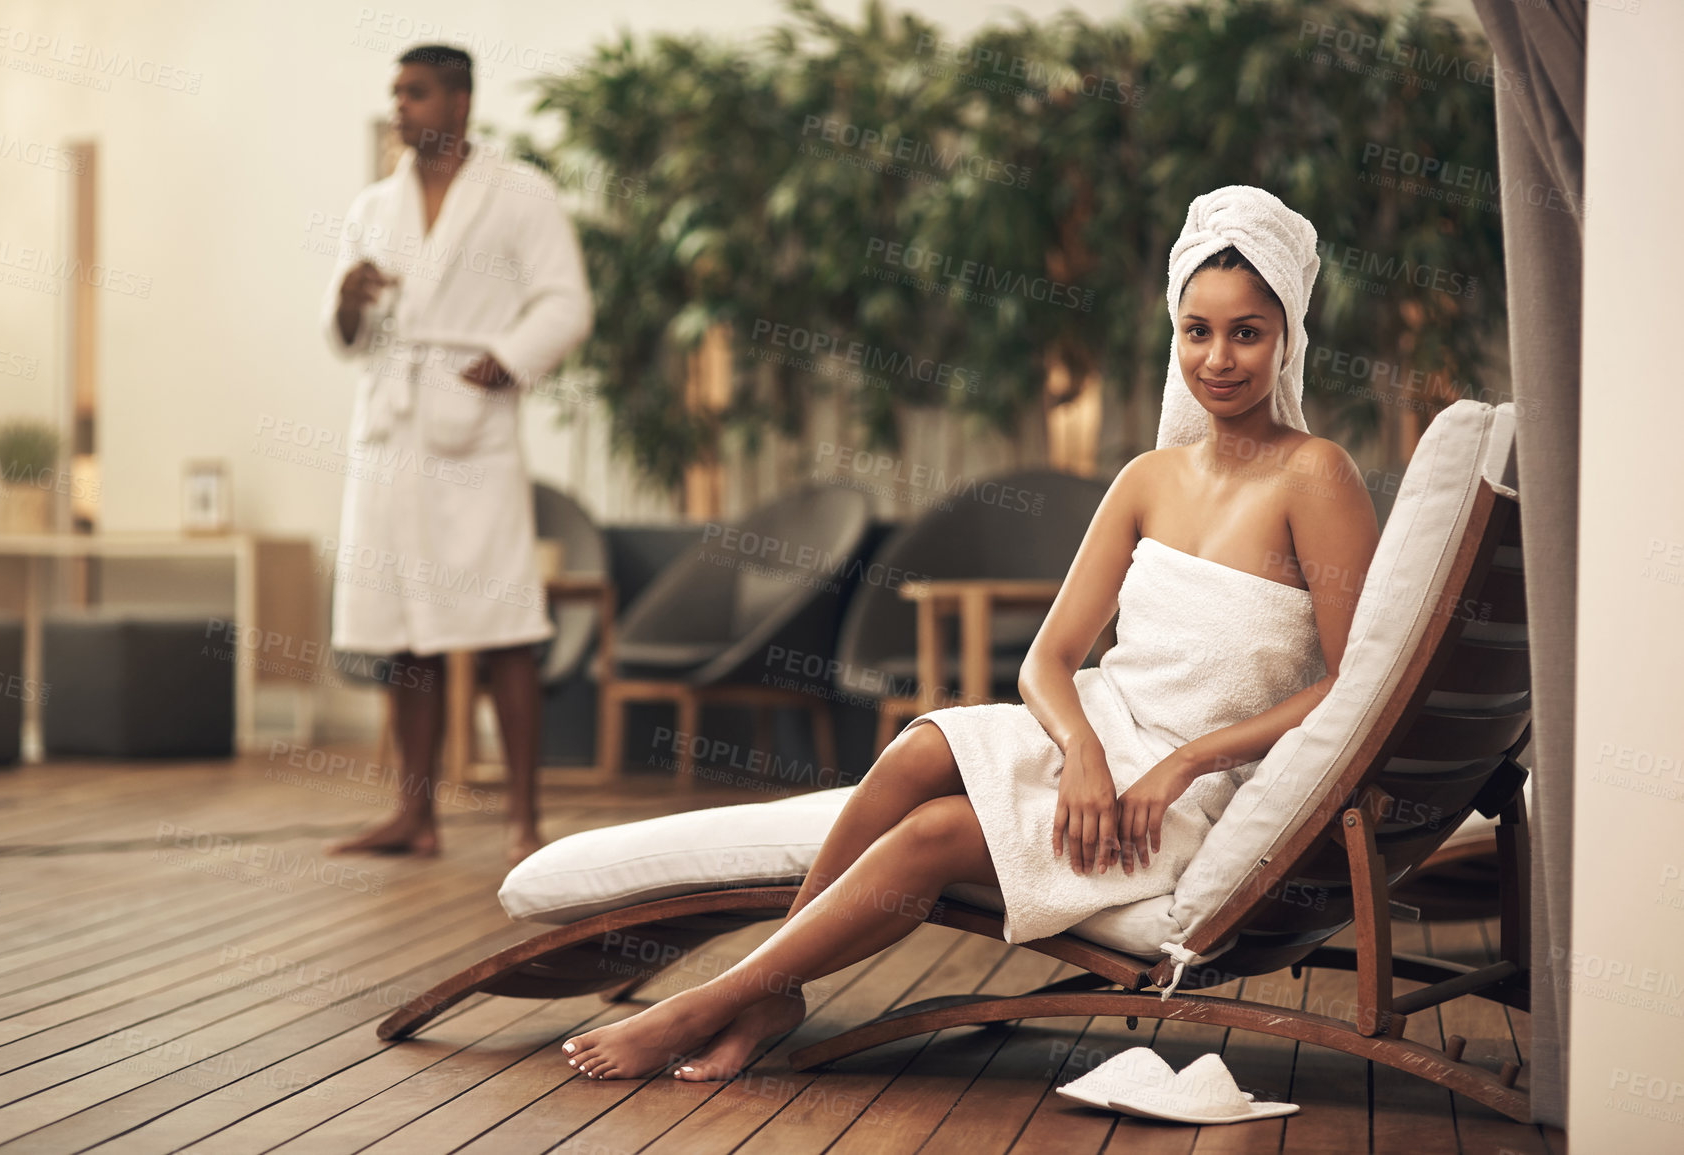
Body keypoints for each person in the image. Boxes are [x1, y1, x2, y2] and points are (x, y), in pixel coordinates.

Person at [556, 185, 1380, 1082]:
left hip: (1187, 789)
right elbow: (1048, 659)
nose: (1217, 358)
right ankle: (771, 990)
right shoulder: (1149, 477)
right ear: (1173, 334)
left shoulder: (1316, 476)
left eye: (1246, 332)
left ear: (1287, 337)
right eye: (1196, 330)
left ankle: (716, 997)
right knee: (918, 747)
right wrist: (1083, 751)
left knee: (934, 836)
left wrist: (1184, 762)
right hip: (1099, 735)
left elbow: (1353, 679)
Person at [317, 44, 593, 861]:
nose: (402, 106)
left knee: (503, 619)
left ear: (462, 102)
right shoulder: (373, 205)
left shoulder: (520, 193)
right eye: (397, 93)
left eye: (418, 92)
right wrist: (345, 298)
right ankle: (414, 815)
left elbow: (566, 302)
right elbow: (344, 339)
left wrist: (502, 362)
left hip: (469, 422)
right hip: (391, 421)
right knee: (404, 627)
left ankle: (522, 818)